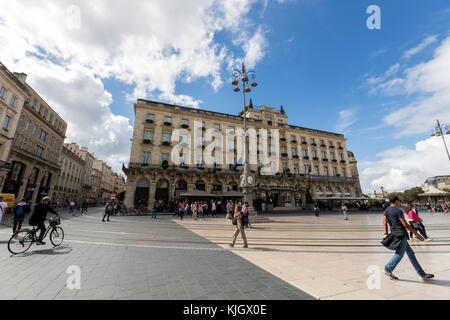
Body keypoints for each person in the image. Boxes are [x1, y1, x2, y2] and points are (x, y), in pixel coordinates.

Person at [383, 196, 434, 280]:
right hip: (401, 234)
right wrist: (417, 234)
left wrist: (385, 233)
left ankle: (421, 274)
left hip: (394, 232)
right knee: (400, 254)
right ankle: (388, 269)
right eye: (400, 201)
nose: (400, 203)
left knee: (411, 254)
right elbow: (405, 224)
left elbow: (384, 222)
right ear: (396, 201)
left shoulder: (386, 210)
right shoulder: (398, 210)